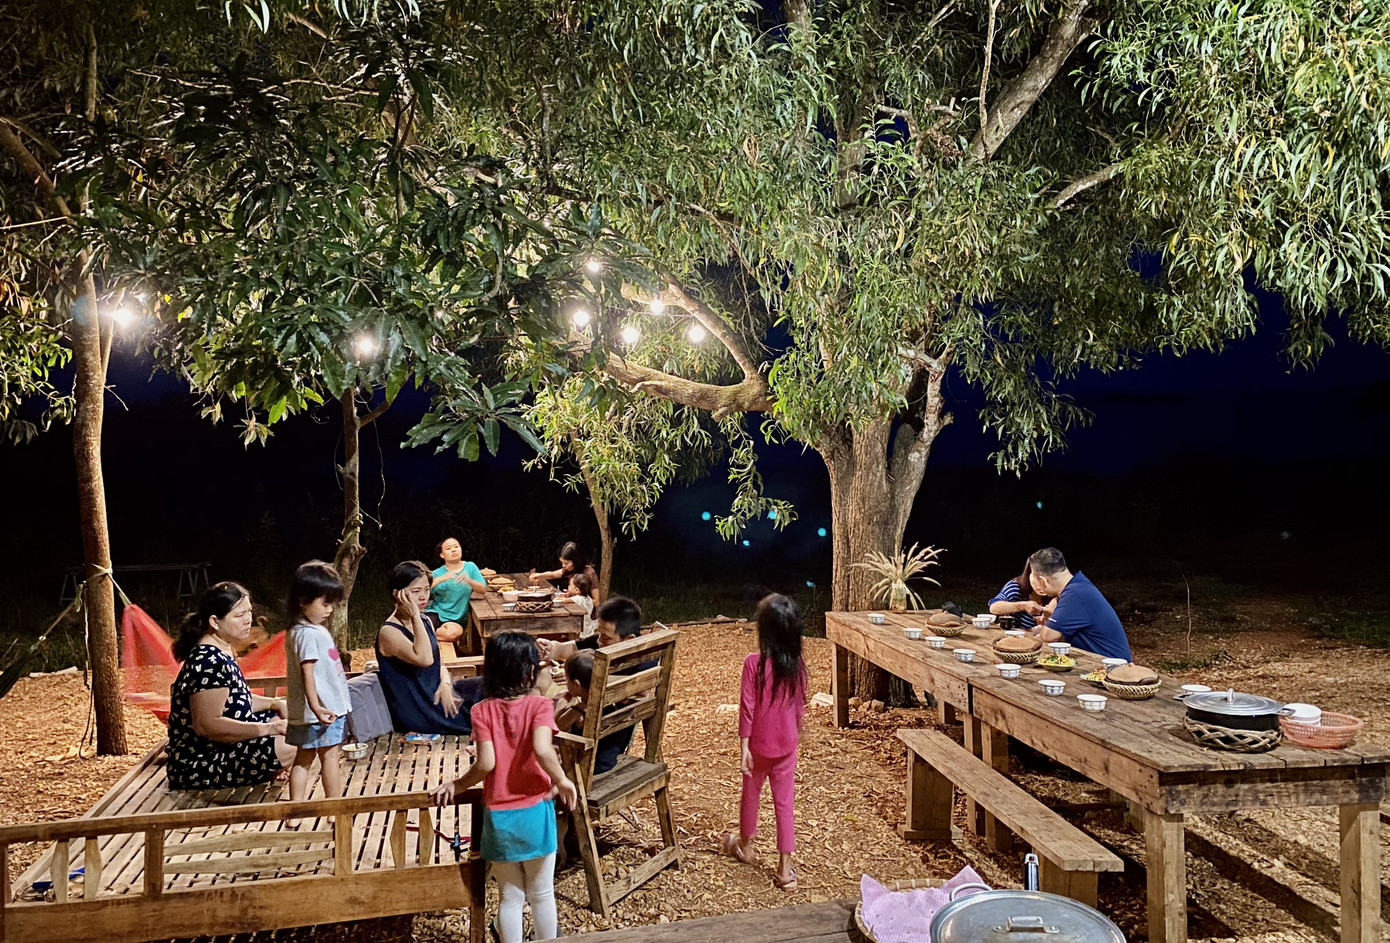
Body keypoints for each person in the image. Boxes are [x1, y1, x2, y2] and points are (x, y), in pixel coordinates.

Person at [431, 632, 578, 943]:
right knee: (542, 894)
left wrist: (457, 784)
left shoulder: (481, 710)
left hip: (500, 817)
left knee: (510, 898)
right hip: (535, 811)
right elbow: (542, 749)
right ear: (529, 672)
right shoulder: (540, 706)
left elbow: (486, 763)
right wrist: (562, 779)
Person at [167, 583, 295, 791]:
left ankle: (273, 766)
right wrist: (269, 729)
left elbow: (236, 701)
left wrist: (275, 704)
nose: (248, 620)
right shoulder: (208, 662)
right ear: (214, 622)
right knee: (293, 740)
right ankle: (274, 769)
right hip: (200, 762)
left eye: (249, 612)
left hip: (223, 747)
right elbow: (207, 725)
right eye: (239, 615)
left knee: (292, 723)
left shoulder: (221, 650)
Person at [720, 594, 807, 892]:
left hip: (758, 744)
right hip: (786, 745)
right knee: (785, 804)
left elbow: (748, 707)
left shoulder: (753, 664)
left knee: (750, 794)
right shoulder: (797, 666)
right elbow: (799, 707)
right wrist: (796, 735)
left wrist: (744, 746)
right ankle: (785, 869)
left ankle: (746, 846)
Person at [537, 596, 645, 774]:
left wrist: (587, 678)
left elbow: (641, 690)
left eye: (606, 637)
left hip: (598, 749)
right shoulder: (603, 642)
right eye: (599, 633)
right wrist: (551, 648)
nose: (599, 641)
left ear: (629, 639)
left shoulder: (645, 658)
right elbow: (568, 648)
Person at [376, 560, 487, 735]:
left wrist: (446, 683)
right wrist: (414, 616)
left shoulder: (425, 620)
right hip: (420, 708)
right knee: (481, 714)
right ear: (397, 594)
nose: (423, 597)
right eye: (415, 591)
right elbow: (425, 659)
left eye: (427, 590)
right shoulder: (389, 632)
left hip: (439, 692)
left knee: (495, 685)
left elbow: (438, 662)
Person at [284, 561, 351, 820]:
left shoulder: (299, 631)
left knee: (303, 759)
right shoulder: (309, 634)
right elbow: (307, 672)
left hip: (312, 712)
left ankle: (295, 812)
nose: (330, 609)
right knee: (329, 758)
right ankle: (334, 810)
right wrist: (317, 707)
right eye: (325, 603)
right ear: (303, 601)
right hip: (322, 712)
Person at [1027, 547, 1132, 660]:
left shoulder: (1074, 594)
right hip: (1102, 659)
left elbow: (1048, 636)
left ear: (1043, 581)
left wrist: (1049, 620)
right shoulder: (1079, 583)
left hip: (1111, 665)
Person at [428, 537, 488, 644]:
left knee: (453, 633)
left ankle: (427, 635)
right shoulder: (437, 573)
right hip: (436, 613)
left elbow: (482, 589)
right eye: (448, 548)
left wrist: (469, 580)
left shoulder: (470, 567)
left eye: (456, 546)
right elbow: (424, 590)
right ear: (442, 555)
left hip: (456, 619)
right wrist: (442, 578)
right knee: (416, 627)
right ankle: (428, 635)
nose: (454, 550)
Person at [987, 558, 1052, 629]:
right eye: (1037, 578)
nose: (1042, 584)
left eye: (1048, 579)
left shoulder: (1057, 596)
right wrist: (1023, 606)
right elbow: (994, 607)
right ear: (1029, 574)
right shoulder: (1016, 587)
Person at [529, 541, 599, 597]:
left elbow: (596, 602)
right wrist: (538, 575)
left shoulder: (589, 573)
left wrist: (574, 598)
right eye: (562, 562)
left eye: (566, 563)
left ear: (576, 561)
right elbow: (553, 574)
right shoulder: (571, 570)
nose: (563, 566)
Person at [559, 571, 598, 639]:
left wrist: (560, 597)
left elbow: (563, 601)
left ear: (577, 590)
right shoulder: (588, 598)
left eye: (570, 585)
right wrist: (570, 594)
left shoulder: (579, 599)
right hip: (588, 627)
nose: (568, 587)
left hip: (581, 629)